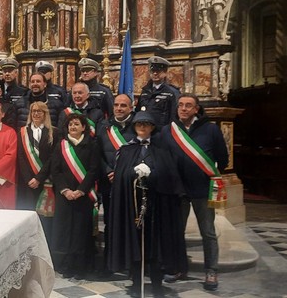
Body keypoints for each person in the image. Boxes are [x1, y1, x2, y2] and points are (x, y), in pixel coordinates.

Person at [106, 111, 187, 297]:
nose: (142, 127)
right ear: (134, 127)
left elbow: (169, 176)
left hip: (157, 207)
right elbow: (121, 177)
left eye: (146, 124)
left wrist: (152, 175)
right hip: (132, 206)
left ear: (152, 127)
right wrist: (134, 175)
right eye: (139, 124)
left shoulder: (161, 150)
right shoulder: (126, 150)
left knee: (155, 246)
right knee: (135, 243)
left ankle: (157, 283)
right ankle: (136, 282)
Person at [160, 93, 229, 291]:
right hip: (177, 191)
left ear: (196, 109)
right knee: (176, 232)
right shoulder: (168, 131)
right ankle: (178, 268)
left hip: (201, 189)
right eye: (180, 105)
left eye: (188, 105)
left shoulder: (210, 129)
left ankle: (211, 270)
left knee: (208, 232)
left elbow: (222, 158)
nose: (183, 109)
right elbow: (163, 158)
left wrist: (208, 176)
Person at [50, 113, 100, 280]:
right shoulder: (61, 145)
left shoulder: (92, 145)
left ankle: (81, 267)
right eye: (70, 124)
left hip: (83, 196)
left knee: (81, 231)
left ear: (84, 127)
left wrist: (80, 190)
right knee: (65, 231)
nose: (73, 127)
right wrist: (65, 190)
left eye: (76, 124)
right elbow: (55, 171)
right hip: (65, 196)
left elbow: (93, 170)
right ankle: (66, 265)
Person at [97, 94, 137, 275]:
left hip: (131, 183)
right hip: (109, 182)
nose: (119, 108)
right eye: (116, 105)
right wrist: (107, 171)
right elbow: (97, 154)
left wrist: (125, 174)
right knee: (110, 222)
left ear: (131, 107)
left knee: (130, 222)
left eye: (123, 105)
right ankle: (110, 261)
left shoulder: (137, 126)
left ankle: (130, 262)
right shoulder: (103, 126)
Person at [17, 102, 58, 244]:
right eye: (33, 111)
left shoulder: (54, 132)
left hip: (46, 181)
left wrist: (39, 178)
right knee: (27, 215)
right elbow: (21, 157)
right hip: (27, 182)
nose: (36, 114)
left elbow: (53, 158)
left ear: (45, 114)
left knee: (45, 218)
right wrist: (29, 178)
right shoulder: (22, 132)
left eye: (39, 111)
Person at [136, 56, 181, 130]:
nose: (155, 73)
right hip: (145, 131)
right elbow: (139, 111)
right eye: (152, 71)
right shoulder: (145, 91)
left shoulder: (171, 92)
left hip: (162, 132)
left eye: (158, 71)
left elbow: (174, 116)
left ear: (165, 73)